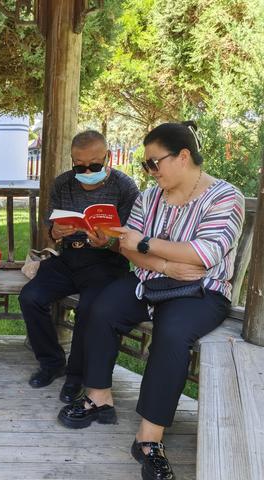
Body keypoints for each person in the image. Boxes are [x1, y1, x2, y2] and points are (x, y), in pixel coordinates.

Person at [58, 122, 245, 480]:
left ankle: (149, 439)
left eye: (153, 163)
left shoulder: (224, 196)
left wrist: (148, 244)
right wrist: (162, 260)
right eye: (147, 165)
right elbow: (130, 246)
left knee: (172, 334)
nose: (150, 171)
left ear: (183, 157)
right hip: (151, 280)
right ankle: (99, 396)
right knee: (101, 307)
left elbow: (204, 254)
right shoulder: (149, 197)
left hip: (201, 292)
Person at [18, 130, 139, 403]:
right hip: (68, 257)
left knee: (88, 309)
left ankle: (76, 376)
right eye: (79, 166)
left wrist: (107, 243)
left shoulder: (124, 187)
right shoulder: (63, 183)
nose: (86, 171)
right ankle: (51, 362)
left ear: (108, 157)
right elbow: (52, 228)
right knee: (30, 297)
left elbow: (132, 240)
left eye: (94, 166)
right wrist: (55, 233)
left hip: (107, 262)